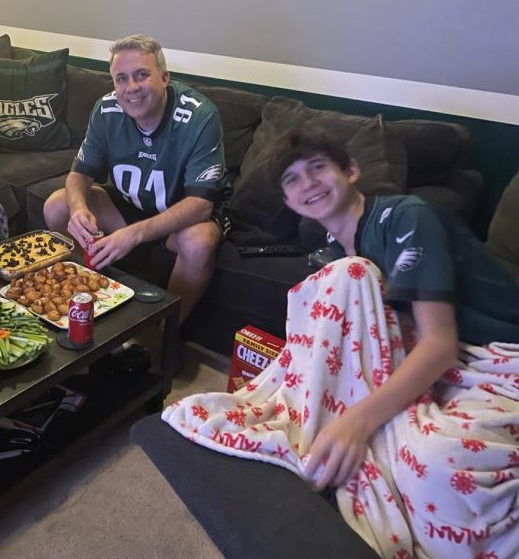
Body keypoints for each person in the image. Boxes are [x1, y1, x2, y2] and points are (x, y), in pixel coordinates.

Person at [265, 127, 519, 490]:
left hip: (492, 350)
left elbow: (439, 344)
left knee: (433, 461)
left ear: (351, 171)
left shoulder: (406, 217)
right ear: (288, 201)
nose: (307, 183)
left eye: (318, 167)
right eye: (292, 179)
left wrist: (356, 422)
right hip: (426, 354)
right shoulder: (331, 253)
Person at [43, 34, 231, 322]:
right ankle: (93, 295)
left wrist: (133, 234)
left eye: (142, 75)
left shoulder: (200, 116)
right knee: (58, 205)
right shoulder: (106, 109)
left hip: (181, 219)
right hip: (133, 203)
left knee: (198, 240)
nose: (131, 88)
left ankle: (166, 333)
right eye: (121, 79)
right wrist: (79, 209)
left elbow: (201, 204)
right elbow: (79, 174)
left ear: (165, 78)